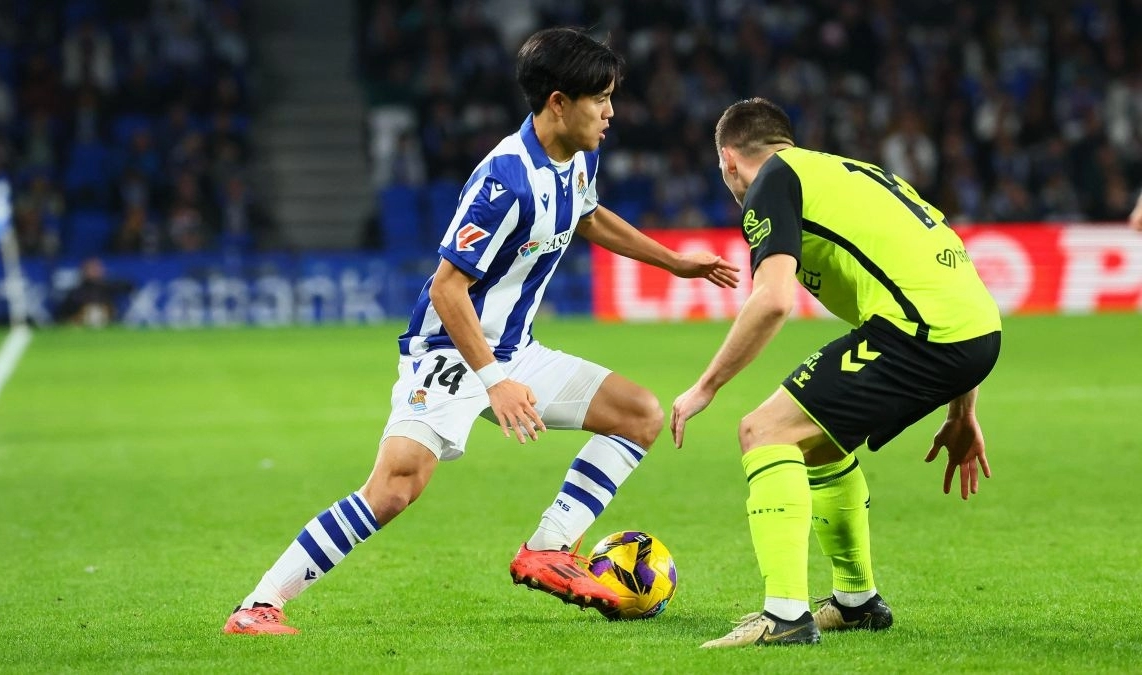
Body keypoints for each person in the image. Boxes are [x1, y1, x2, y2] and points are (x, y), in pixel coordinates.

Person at [222, 27, 741, 635]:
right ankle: (258, 606)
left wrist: (674, 262)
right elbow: (448, 290)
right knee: (393, 489)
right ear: (558, 103)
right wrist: (494, 380)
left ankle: (548, 548)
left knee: (638, 414)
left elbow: (587, 215)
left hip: (515, 350)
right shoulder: (504, 182)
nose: (611, 113)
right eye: (600, 99)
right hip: (450, 350)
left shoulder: (579, 155)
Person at [669, 98, 1002, 649]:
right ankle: (856, 603)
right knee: (818, 443)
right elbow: (948, 280)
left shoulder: (772, 181)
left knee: (763, 431)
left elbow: (773, 300)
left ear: (728, 160)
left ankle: (784, 618)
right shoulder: (848, 172)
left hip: (919, 333)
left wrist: (706, 386)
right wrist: (962, 409)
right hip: (976, 333)